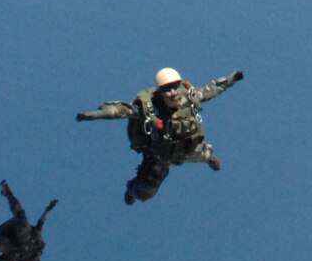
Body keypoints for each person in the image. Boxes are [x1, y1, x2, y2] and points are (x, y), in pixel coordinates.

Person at [77, 67, 243, 204]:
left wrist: (231, 79)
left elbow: (210, 90)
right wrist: (94, 115)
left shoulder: (189, 98)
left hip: (188, 147)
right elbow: (121, 110)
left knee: (204, 154)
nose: (172, 92)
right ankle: (132, 190)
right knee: (146, 192)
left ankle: (208, 156)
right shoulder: (150, 109)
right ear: (161, 92)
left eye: (175, 86)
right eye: (166, 89)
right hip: (160, 155)